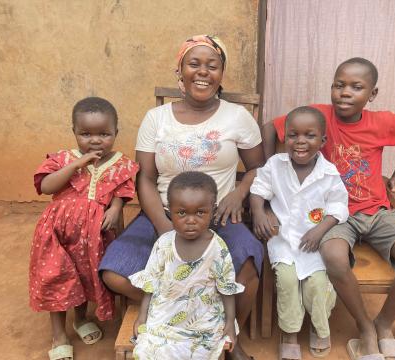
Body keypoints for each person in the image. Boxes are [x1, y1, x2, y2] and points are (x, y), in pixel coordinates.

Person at [99, 35, 264, 360]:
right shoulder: (156, 118)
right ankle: (187, 307)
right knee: (114, 272)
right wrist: (164, 226)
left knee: (246, 272)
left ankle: (227, 340)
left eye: (211, 66)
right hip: (162, 212)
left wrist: (239, 192)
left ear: (221, 74)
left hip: (217, 216)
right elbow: (145, 177)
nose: (203, 72)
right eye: (194, 64)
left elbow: (259, 168)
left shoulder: (238, 117)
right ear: (181, 71)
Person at [263, 58, 395, 360]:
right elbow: (270, 128)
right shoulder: (319, 116)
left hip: (377, 210)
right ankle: (364, 328)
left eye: (356, 87)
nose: (345, 92)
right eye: (339, 85)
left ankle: (383, 324)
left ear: (372, 93)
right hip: (334, 213)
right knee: (332, 255)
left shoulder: (380, 122)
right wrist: (268, 171)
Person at [29, 97, 139, 360]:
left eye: (104, 134)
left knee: (85, 276)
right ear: (74, 132)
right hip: (57, 233)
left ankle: (80, 319)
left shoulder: (120, 163)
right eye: (86, 134)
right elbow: (45, 187)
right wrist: (77, 164)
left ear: (115, 133)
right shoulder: (63, 158)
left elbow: (122, 191)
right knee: (56, 276)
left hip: (93, 236)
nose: (95, 140)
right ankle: (58, 334)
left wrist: (114, 209)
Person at [250, 107, 348, 359]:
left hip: (313, 241)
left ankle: (319, 326)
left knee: (317, 283)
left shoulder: (329, 174)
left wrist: (321, 229)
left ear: (322, 141)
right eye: (293, 135)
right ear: (284, 138)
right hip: (283, 241)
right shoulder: (275, 164)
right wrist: (259, 213)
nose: (300, 141)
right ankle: (289, 332)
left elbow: (338, 207)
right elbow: (258, 189)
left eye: (309, 135)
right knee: (287, 280)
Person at [130, 171, 243, 359]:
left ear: (213, 212)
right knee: (148, 350)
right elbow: (151, 283)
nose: (191, 220)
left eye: (200, 212)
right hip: (166, 314)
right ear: (169, 212)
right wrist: (142, 316)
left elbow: (226, 289)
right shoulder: (164, 243)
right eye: (182, 213)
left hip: (203, 318)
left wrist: (230, 322)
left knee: (200, 352)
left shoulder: (217, 248)